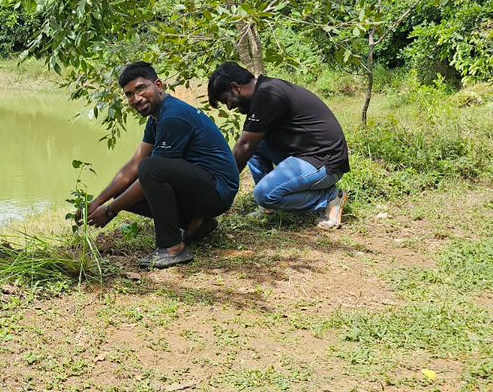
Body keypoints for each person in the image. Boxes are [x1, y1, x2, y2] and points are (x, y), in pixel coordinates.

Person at [84, 63, 239, 269]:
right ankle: (198, 222)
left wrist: (111, 211)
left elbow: (150, 170)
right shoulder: (156, 118)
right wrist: (98, 202)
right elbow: (133, 164)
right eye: (129, 94)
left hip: (218, 190)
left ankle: (173, 247)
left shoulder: (174, 115)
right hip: (203, 188)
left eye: (141, 89)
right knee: (126, 190)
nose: (136, 98)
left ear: (158, 85)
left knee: (151, 169)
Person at [207, 62, 350, 229]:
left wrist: (222, 184)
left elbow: (245, 146)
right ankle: (269, 208)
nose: (230, 107)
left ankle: (330, 198)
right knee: (256, 145)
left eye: (226, 100)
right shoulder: (265, 90)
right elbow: (248, 144)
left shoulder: (268, 94)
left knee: (264, 194)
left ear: (235, 87)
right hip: (306, 155)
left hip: (324, 162)